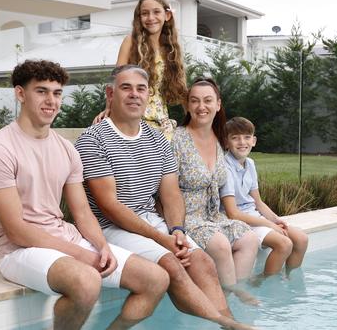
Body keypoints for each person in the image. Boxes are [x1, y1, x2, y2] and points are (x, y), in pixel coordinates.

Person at [0, 60, 169, 330]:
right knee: (86, 281)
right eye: (41, 91)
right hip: (19, 251)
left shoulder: (66, 149)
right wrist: (81, 255)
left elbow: (82, 213)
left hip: (64, 238)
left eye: (56, 93)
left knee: (156, 279)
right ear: (20, 94)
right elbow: (16, 230)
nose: (51, 101)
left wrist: (101, 247)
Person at [75, 65, 253, 330]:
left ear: (148, 97)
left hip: (151, 221)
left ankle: (229, 323)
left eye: (141, 89)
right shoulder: (93, 140)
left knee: (202, 260)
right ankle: (227, 324)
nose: (134, 94)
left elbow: (171, 194)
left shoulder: (157, 140)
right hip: (109, 227)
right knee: (171, 263)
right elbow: (109, 206)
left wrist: (177, 230)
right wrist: (163, 239)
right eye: (126, 88)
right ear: (110, 94)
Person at [171, 77, 260, 302]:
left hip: (212, 216)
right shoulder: (177, 139)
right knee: (220, 243)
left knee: (249, 239)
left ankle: (231, 295)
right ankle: (230, 300)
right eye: (195, 101)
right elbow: (166, 189)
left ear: (218, 105)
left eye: (208, 100)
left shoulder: (219, 138)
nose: (202, 107)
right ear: (188, 105)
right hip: (185, 217)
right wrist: (175, 227)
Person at [220, 117, 309, 276]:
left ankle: (289, 279)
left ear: (253, 141)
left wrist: (275, 220)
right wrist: (269, 224)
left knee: (301, 239)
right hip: (237, 222)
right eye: (235, 138)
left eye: (247, 137)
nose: (242, 142)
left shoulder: (250, 164)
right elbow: (232, 213)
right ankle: (265, 283)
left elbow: (258, 202)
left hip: (254, 216)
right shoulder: (224, 168)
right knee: (284, 244)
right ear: (226, 142)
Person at [94, 0, 188, 141]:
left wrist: (192, 119)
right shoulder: (130, 42)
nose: (151, 18)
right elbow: (116, 80)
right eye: (145, 13)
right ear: (139, 17)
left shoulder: (171, 49)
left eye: (156, 12)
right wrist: (108, 109)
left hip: (162, 126)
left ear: (167, 15)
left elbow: (182, 91)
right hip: (133, 121)